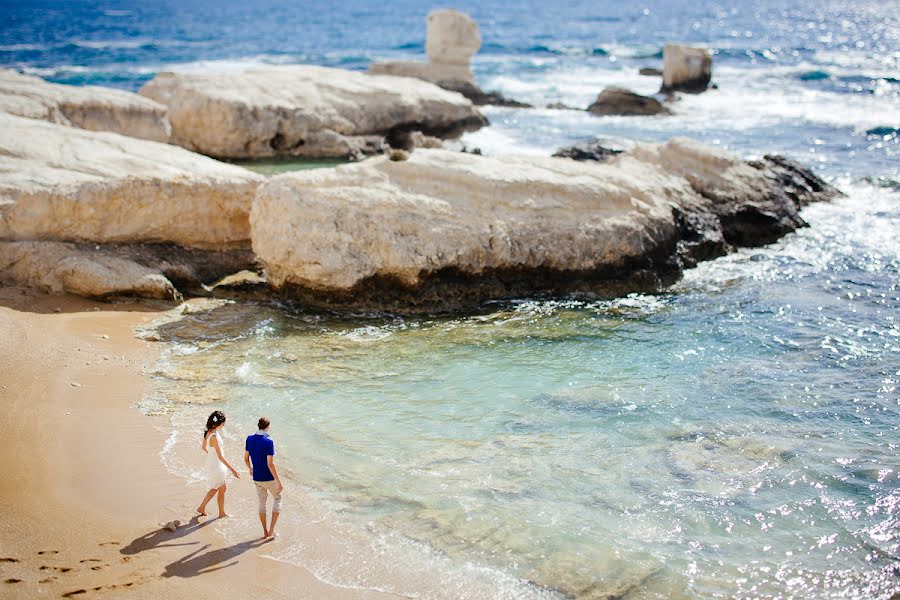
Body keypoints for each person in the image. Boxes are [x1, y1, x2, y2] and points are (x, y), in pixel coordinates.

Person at [244, 417, 283, 539]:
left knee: (262, 503)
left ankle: (265, 531)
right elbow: (270, 464)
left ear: (258, 425)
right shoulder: (269, 441)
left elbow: (245, 458)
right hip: (269, 478)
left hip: (257, 478)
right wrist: (278, 481)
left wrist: (250, 469)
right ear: (268, 426)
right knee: (278, 498)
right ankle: (271, 530)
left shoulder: (249, 439)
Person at [197, 410, 241, 518]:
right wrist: (233, 470)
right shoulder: (214, 437)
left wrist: (211, 456)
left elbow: (203, 447)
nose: (223, 426)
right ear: (219, 423)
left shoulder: (208, 432)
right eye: (223, 424)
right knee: (216, 488)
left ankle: (220, 512)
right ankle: (203, 507)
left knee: (221, 488)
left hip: (211, 463)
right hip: (217, 466)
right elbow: (221, 457)